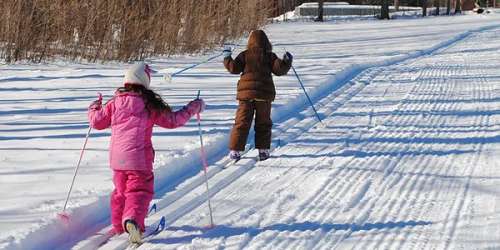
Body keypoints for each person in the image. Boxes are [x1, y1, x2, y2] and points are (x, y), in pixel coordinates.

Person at [88, 62, 205, 243]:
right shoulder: (148, 104)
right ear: (145, 81)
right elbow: (173, 121)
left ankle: (119, 225)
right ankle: (133, 221)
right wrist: (193, 107)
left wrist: (94, 107)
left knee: (120, 192)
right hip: (139, 159)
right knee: (139, 191)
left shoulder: (115, 102)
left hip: (117, 159)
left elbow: (97, 122)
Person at [223, 30, 293, 161]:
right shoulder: (269, 56)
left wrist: (227, 57)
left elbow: (233, 68)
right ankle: (263, 151)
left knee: (242, 122)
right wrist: (287, 61)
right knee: (263, 123)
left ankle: (235, 151)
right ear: (267, 42)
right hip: (263, 96)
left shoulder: (245, 55)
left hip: (246, 96)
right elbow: (279, 70)